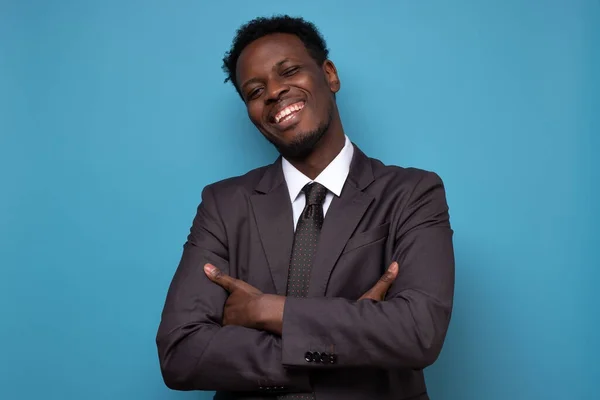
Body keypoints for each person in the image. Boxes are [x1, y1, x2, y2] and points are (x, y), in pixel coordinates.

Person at [156, 15, 455, 400]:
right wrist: (348, 337)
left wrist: (269, 310)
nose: (274, 93)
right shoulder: (224, 205)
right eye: (254, 90)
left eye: (289, 71)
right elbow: (181, 353)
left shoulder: (412, 192)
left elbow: (418, 332)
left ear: (329, 74)